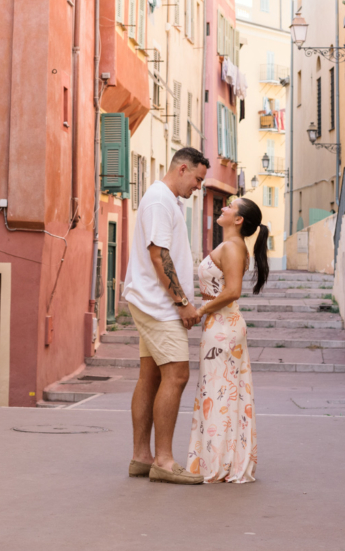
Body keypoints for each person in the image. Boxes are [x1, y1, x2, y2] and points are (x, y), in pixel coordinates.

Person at [125, 147, 209, 485]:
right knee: (177, 375)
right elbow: (159, 256)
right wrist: (182, 302)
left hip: (151, 301)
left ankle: (141, 457)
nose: (199, 187)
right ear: (183, 169)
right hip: (158, 304)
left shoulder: (165, 200)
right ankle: (163, 460)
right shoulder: (160, 201)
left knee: (151, 376)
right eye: (198, 179)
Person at [185, 195, 268, 484]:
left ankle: (219, 463)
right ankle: (219, 459)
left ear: (238, 220)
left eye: (230, 207)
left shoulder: (232, 248)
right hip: (220, 323)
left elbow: (232, 291)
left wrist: (201, 310)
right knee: (219, 393)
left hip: (222, 324)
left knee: (219, 393)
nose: (223, 207)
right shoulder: (231, 246)